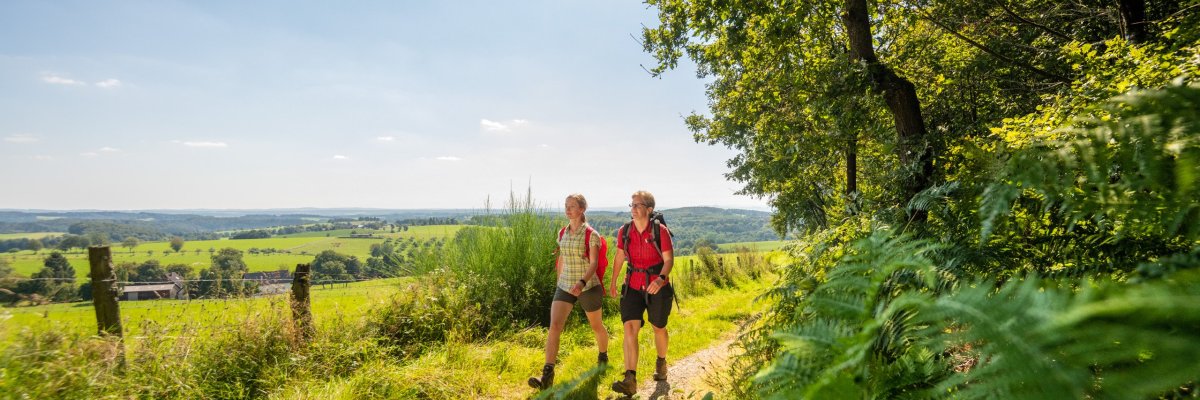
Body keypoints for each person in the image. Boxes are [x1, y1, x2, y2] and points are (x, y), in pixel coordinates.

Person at [528, 193, 611, 390]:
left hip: (588, 286)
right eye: (566, 205)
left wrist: (581, 283)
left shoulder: (591, 234)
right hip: (565, 285)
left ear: (581, 209)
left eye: (572, 206)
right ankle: (547, 376)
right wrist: (559, 283)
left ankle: (603, 356)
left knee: (596, 326)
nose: (567, 209)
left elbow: (593, 263)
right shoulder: (562, 233)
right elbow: (562, 259)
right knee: (555, 326)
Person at [608, 190, 674, 396]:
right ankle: (630, 379)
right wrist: (613, 281)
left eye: (638, 205)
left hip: (657, 285)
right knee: (629, 328)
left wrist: (660, 279)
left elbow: (669, 260)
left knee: (658, 328)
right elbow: (619, 257)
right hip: (633, 285)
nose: (633, 209)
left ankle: (661, 362)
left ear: (649, 209)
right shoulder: (625, 231)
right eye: (632, 205)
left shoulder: (660, 231)